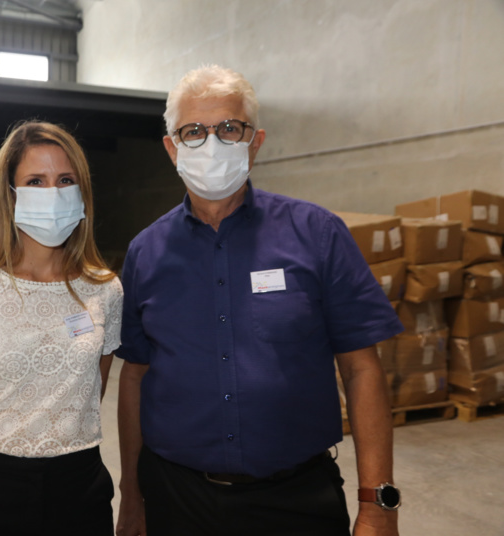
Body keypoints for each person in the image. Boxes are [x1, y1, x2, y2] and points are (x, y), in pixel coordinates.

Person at [116, 65, 404, 536]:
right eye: (193, 132)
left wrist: (378, 505)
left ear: (256, 140)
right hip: (177, 499)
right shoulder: (145, 252)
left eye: (229, 128)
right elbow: (135, 376)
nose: (212, 143)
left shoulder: (317, 234)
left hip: (297, 500)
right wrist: (133, 494)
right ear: (172, 148)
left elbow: (361, 368)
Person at [0, 121, 123, 536]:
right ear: (10, 194)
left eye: (65, 180)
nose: (53, 193)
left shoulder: (104, 290)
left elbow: (93, 387)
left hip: (81, 485)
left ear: (82, 192)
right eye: (36, 181)